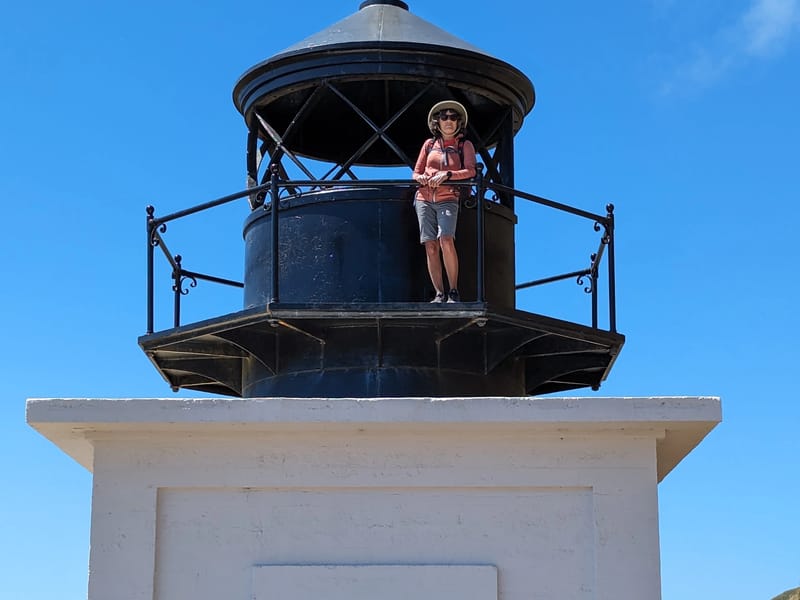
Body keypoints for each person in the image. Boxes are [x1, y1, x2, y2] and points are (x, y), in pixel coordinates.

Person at [412, 100, 477, 303]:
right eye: (444, 117)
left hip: (448, 197)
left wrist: (447, 175)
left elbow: (471, 171)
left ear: (459, 122)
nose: (448, 120)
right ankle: (439, 293)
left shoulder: (464, 145)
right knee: (430, 245)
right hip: (423, 198)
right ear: (437, 122)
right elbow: (416, 172)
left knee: (446, 239)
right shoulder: (428, 145)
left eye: (453, 117)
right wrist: (422, 178)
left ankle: (453, 291)